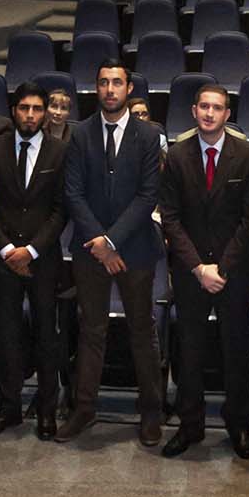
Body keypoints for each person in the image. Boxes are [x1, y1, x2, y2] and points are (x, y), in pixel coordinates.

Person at [155, 83, 249, 459]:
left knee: (236, 350)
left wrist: (222, 267)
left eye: (217, 108)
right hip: (191, 272)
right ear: (193, 111)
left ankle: (238, 424)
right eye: (204, 106)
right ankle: (190, 425)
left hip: (234, 272)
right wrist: (199, 267)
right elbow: (170, 217)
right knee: (190, 351)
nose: (209, 113)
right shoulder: (177, 155)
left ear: (227, 114)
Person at [62, 61, 167, 446]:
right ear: (96, 87)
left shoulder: (148, 135)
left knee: (142, 331)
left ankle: (151, 412)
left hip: (134, 249)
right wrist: (100, 242)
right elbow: (73, 192)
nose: (110, 89)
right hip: (89, 250)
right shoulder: (80, 133)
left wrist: (112, 242)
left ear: (129, 88)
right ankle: (84, 409)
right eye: (104, 82)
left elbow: (148, 195)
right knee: (91, 330)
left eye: (117, 83)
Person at [0, 85, 67, 441]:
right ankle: (9, 409)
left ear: (45, 112)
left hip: (43, 260)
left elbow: (61, 210)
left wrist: (30, 250)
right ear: (13, 110)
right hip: (3, 258)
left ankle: (47, 411)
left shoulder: (60, 150)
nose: (30, 115)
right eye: (23, 108)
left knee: (47, 336)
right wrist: (7, 249)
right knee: (7, 335)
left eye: (36, 108)